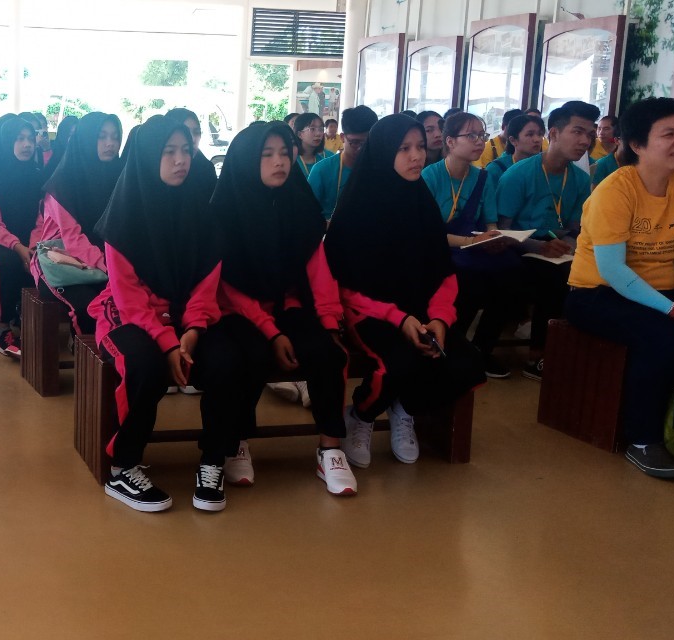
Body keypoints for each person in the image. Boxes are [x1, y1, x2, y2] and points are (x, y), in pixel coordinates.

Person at [325, 114, 486, 470]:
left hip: (422, 311)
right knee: (398, 362)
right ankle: (362, 414)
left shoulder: (420, 201)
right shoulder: (357, 207)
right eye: (404, 149)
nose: (416, 156)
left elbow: (443, 271)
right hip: (369, 312)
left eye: (419, 147)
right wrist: (399, 319)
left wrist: (439, 318)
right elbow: (344, 286)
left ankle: (404, 408)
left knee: (466, 361)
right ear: (384, 152)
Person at [565, 97, 674, 479]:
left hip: (660, 290)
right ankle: (643, 439)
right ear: (637, 144)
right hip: (597, 293)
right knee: (664, 336)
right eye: (668, 134)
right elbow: (614, 271)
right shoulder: (615, 190)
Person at [208, 122, 356, 495]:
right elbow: (225, 286)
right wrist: (271, 331)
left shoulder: (298, 202)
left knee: (327, 352)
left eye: (285, 153)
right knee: (252, 355)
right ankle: (237, 440)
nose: (280, 162)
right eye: (267, 154)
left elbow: (317, 268)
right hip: (238, 310)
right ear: (247, 159)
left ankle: (330, 448)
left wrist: (329, 322)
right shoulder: (225, 209)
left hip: (288, 303)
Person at [88, 116, 222, 512]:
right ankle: (123, 467)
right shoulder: (124, 214)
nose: (181, 160)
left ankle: (215, 459)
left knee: (227, 358)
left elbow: (207, 280)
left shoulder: (201, 207)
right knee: (144, 365)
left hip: (185, 315)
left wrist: (193, 329)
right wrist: (167, 343)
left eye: (186, 150)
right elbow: (129, 297)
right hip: (128, 313)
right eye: (169, 152)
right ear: (149, 156)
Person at [497, 100, 598, 381]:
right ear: (553, 133)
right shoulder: (518, 174)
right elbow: (502, 231)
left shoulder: (579, 179)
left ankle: (572, 348)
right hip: (518, 246)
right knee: (554, 276)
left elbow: (575, 228)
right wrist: (539, 246)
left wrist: (572, 248)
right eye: (577, 132)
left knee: (589, 273)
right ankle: (538, 355)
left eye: (590, 134)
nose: (585, 141)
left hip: (557, 245)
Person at [422, 111, 523, 379]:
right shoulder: (430, 177)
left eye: (482, 135)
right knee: (469, 281)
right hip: (438, 248)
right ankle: (451, 347)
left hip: (471, 246)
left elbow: (490, 222)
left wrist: (493, 238)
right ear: (450, 141)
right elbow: (427, 234)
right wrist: (473, 241)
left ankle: (482, 349)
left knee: (511, 273)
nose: (479, 141)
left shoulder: (482, 177)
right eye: (472, 135)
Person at [29, 112, 124, 336]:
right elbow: (73, 239)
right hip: (61, 261)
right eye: (101, 136)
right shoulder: (61, 185)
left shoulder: (121, 178)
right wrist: (110, 267)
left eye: (115, 137)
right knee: (89, 307)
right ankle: (86, 353)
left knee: (121, 303)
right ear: (86, 138)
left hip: (102, 262)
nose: (110, 143)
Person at [0, 118, 44, 356]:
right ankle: (2, 329)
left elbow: (41, 219)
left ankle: (29, 319)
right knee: (6, 264)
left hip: (30, 240)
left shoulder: (38, 175)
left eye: (30, 139)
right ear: (7, 142)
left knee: (41, 262)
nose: (27, 144)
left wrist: (33, 247)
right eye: (19, 139)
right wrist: (18, 247)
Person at [307, 105, 377, 221]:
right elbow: (306, 213)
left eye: (366, 143)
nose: (361, 149)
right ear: (343, 137)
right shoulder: (322, 170)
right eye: (355, 142)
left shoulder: (379, 169)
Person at [165, 108, 217, 184]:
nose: (192, 139)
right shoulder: (153, 173)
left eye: (197, 132)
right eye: (186, 132)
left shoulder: (206, 170)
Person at [485, 114, 544, 180]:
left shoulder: (545, 166)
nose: (537, 139)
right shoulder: (497, 169)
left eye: (540, 134)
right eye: (530, 135)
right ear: (513, 140)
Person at [292, 113, 334, 179]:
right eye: (312, 129)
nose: (318, 134)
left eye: (321, 129)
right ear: (300, 134)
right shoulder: (291, 159)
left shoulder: (329, 157)